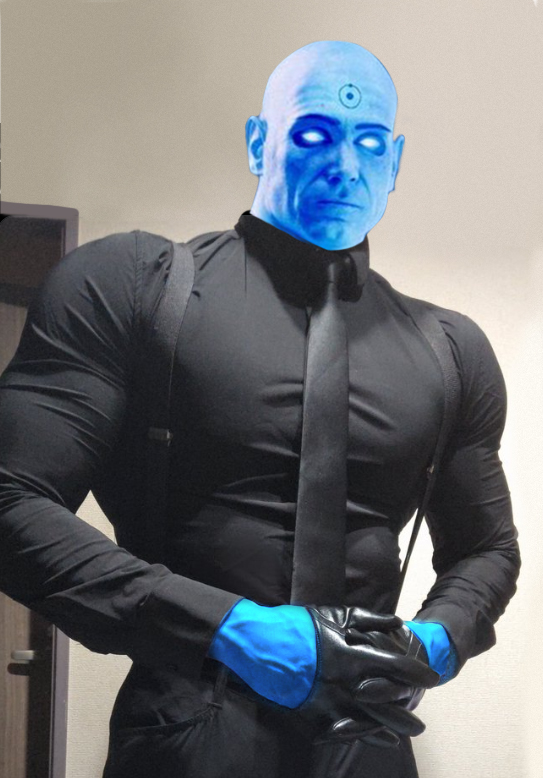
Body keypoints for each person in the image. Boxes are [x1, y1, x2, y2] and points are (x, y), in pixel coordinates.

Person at [0, 41, 519, 778]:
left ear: (395, 162)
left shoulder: (450, 348)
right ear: (257, 143)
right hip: (185, 734)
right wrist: (228, 630)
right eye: (313, 133)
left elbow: (487, 549)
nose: (344, 164)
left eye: (371, 142)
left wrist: (434, 643)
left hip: (370, 741)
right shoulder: (131, 286)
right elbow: (11, 498)